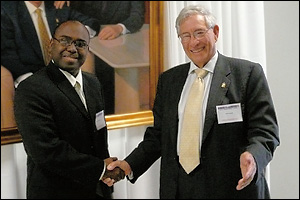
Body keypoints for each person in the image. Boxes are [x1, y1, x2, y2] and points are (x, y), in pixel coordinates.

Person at [104, 4, 280, 199]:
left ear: (215, 32)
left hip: (232, 188)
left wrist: (253, 156)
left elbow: (265, 131)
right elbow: (158, 136)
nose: (193, 42)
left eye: (199, 33)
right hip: (180, 189)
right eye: (185, 36)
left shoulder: (247, 74)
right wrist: (128, 165)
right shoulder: (169, 81)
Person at [14, 20, 124, 199]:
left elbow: (99, 139)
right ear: (51, 45)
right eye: (65, 40)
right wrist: (101, 169)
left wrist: (107, 180)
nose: (72, 48)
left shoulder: (93, 84)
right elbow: (46, 151)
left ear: (88, 50)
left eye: (80, 44)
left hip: (96, 190)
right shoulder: (31, 89)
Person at [55, 1, 146, 114]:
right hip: (91, 45)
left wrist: (119, 28)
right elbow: (76, 15)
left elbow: (137, 16)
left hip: (122, 49)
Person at [1, 1, 100, 88]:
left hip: (63, 69)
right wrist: (28, 79)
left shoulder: (56, 5)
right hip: (31, 74)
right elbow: (7, 53)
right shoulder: (8, 10)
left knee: (86, 57)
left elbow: (90, 23)